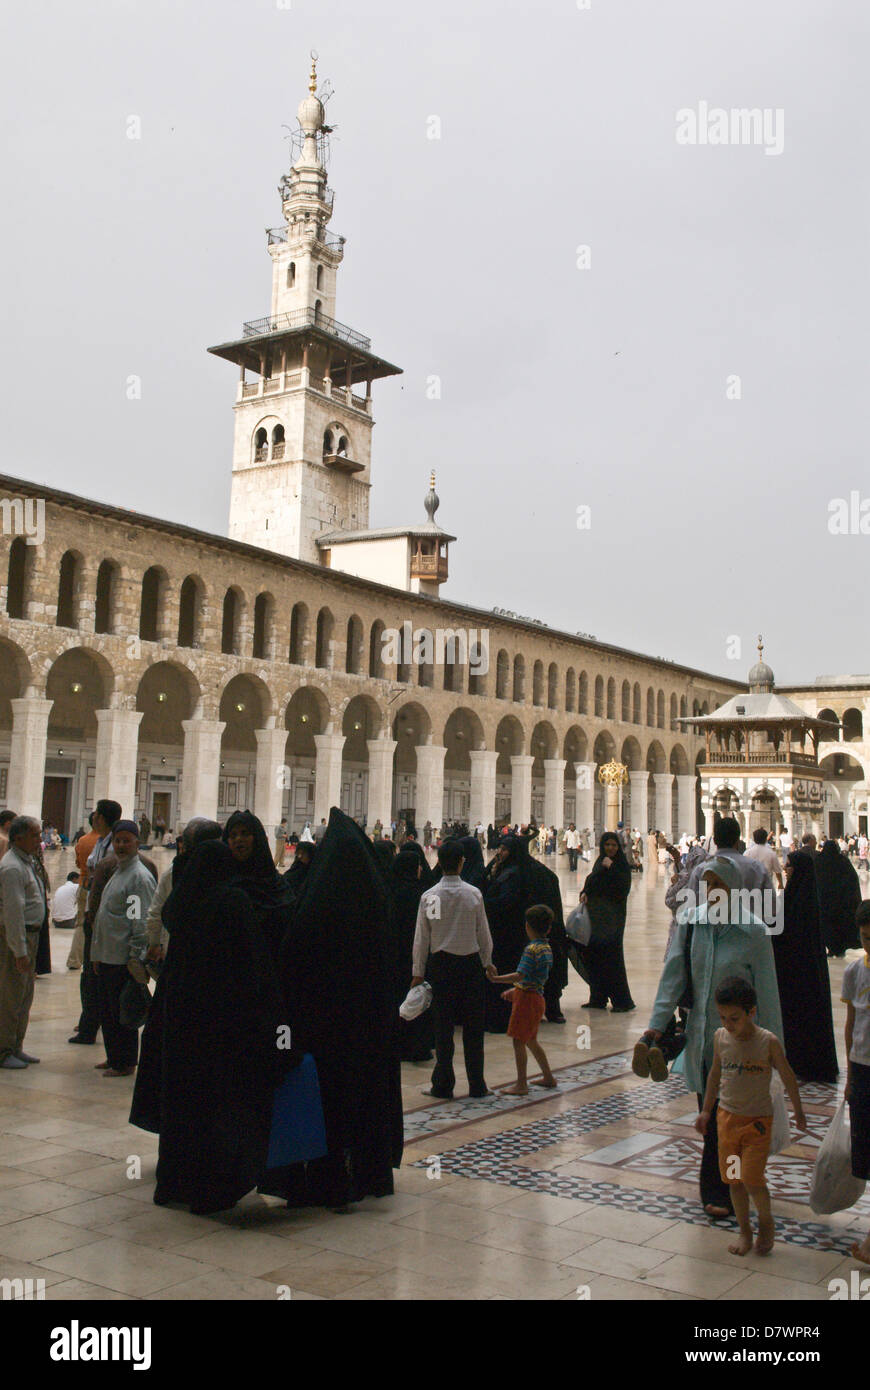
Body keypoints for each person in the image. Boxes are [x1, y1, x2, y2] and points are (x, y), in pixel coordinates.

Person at [264, 808, 404, 1209]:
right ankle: (363, 1173)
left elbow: (294, 955)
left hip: (322, 1027)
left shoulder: (317, 898)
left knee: (325, 1103)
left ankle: (322, 1177)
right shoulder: (376, 899)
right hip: (368, 1026)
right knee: (359, 1101)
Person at [639, 856, 783, 1220]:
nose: (713, 891)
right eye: (709, 885)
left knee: (730, 1121)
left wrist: (776, 1048)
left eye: (720, 885)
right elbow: (674, 975)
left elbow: (766, 990)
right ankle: (723, 1184)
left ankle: (722, 1186)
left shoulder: (752, 930)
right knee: (713, 1115)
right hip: (704, 1039)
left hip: (744, 1043)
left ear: (732, 888)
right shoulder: (692, 922)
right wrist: (657, 1023)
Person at [151, 840, 288, 1214]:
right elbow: (251, 963)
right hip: (222, 1020)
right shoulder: (232, 902)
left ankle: (175, 1183)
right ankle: (211, 1188)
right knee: (218, 1103)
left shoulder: (181, 902)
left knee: (184, 1101)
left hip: (183, 1017)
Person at [696, 976, 806, 1256]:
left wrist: (799, 1111)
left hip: (757, 1124)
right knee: (733, 1179)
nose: (728, 1025)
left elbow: (788, 1076)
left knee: (753, 1179)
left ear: (751, 1012)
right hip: (727, 1123)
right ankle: (745, 1231)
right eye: (722, 1017)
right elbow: (714, 1076)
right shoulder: (721, 1038)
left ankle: (766, 1222)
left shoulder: (767, 1042)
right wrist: (707, 1110)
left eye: (734, 1018)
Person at [129, 818, 224, 1135]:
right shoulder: (185, 873)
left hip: (178, 969)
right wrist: (154, 944)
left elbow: (156, 913)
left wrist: (154, 944)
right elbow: (157, 914)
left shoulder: (181, 872)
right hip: (183, 969)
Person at [411, 838, 497, 1099]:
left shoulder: (430, 897)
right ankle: (477, 1085)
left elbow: (422, 938)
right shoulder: (473, 894)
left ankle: (443, 1084)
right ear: (461, 863)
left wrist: (418, 971)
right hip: (470, 966)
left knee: (443, 1028)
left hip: (441, 967)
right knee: (473, 1028)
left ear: (439, 862)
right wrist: (487, 962)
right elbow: (483, 933)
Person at [91, 820, 157, 1076]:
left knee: (123, 1012)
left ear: (137, 844)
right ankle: (114, 1056)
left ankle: (125, 1061)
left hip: (122, 957)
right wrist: (97, 954)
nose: (120, 845)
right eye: (117, 840)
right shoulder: (120, 872)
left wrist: (135, 956)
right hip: (108, 955)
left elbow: (138, 920)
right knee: (108, 1010)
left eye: (126, 840)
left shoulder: (137, 877)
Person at [774, 850, 838, 1083]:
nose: (786, 870)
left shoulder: (801, 899)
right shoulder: (802, 895)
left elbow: (787, 933)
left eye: (789, 866)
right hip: (803, 972)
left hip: (798, 973)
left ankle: (805, 1064)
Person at [69, 799, 122, 1046]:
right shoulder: (101, 842)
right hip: (94, 914)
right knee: (89, 975)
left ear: (100, 818)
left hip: (103, 919)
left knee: (96, 976)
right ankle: (89, 1023)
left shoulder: (113, 847)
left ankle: (91, 1026)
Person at [491, 904, 557, 1096]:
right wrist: (516, 991)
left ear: (528, 926)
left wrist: (497, 979)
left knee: (518, 1041)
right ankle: (548, 1077)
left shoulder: (531, 949)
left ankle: (521, 1084)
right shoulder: (546, 948)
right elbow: (534, 977)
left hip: (527, 1000)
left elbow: (520, 975)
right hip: (537, 997)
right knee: (532, 1040)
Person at [0, 817, 47, 1069]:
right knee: (10, 996)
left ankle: (16, 1046)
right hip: (18, 938)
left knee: (24, 995)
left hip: (32, 936)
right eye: (35, 835)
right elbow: (13, 912)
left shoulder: (25, 862)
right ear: (18, 838)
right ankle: (3, 1049)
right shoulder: (12, 868)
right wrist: (19, 950)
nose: (40, 840)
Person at [223, 810, 297, 963]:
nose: (239, 839)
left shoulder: (277, 885)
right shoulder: (222, 884)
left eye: (245, 833)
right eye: (233, 835)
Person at [580, 831, 634, 1011]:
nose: (610, 848)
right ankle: (598, 997)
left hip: (613, 919)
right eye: (607, 845)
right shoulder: (599, 862)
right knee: (596, 957)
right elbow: (591, 881)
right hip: (596, 918)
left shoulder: (621, 865)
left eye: (614, 845)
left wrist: (611, 868)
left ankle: (621, 1001)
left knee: (612, 959)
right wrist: (584, 893)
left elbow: (623, 889)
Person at [843, 903, 870, 1265]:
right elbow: (850, 1026)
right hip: (863, 1069)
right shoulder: (854, 972)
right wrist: (848, 1076)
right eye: (866, 939)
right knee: (864, 1152)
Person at [391, 849, 434, 1062]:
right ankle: (418, 1046)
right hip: (419, 957)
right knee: (418, 1001)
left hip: (397, 956)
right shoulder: (427, 894)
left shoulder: (388, 892)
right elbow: (436, 924)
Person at [814, 837, 862, 957]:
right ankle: (839, 949)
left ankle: (830, 948)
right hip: (841, 903)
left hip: (824, 902)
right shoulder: (843, 861)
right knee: (839, 926)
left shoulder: (819, 861)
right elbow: (853, 880)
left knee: (827, 926)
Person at [66, 811, 100, 974]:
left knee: (80, 923)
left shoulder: (83, 840)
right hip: (99, 888)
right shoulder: (106, 842)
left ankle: (74, 960)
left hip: (84, 884)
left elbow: (79, 863)